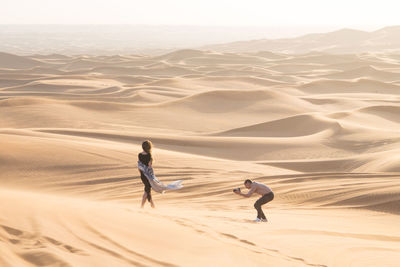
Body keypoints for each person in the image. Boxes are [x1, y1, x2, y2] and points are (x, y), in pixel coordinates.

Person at [138, 140, 155, 208]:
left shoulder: (139, 155)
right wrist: (152, 176)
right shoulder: (149, 155)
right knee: (147, 190)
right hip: (148, 175)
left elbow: (139, 165)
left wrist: (141, 174)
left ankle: (152, 205)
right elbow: (149, 166)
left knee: (148, 189)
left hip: (142, 174)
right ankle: (142, 206)